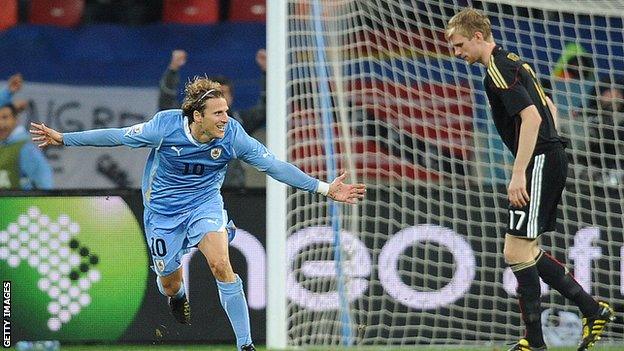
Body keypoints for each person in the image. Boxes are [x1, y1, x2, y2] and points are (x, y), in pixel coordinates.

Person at [30, 77, 366, 351]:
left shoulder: (233, 135)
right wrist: (64, 139)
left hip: (204, 205)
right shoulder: (165, 127)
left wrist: (323, 188)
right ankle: (178, 295)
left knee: (222, 265)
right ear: (197, 116)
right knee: (168, 282)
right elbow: (117, 137)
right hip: (162, 214)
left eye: (226, 111)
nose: (225, 118)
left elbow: (273, 165)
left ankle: (245, 346)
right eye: (218, 112)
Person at [445, 8, 614, 351]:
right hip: (548, 158)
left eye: (460, 45)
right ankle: (591, 310)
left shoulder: (497, 71)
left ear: (478, 37)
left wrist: (519, 171)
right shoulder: (514, 61)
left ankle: (536, 343)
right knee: (525, 250)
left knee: (516, 250)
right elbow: (547, 105)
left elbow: (533, 118)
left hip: (539, 162)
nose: (458, 53)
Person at [158, 49, 267, 187]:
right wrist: (172, 70)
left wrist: (266, 72)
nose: (219, 98)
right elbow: (166, 105)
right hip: (194, 191)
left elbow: (266, 108)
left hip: (232, 193)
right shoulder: (190, 120)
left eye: (223, 93)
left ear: (231, 97)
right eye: (215, 94)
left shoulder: (239, 122)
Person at [0, 74, 54, 190]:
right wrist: (7, 93)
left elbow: (44, 181)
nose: (1, 124)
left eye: (5, 118)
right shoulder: (3, 147)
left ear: (15, 120)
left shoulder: (25, 148)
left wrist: (47, 205)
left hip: (19, 207)